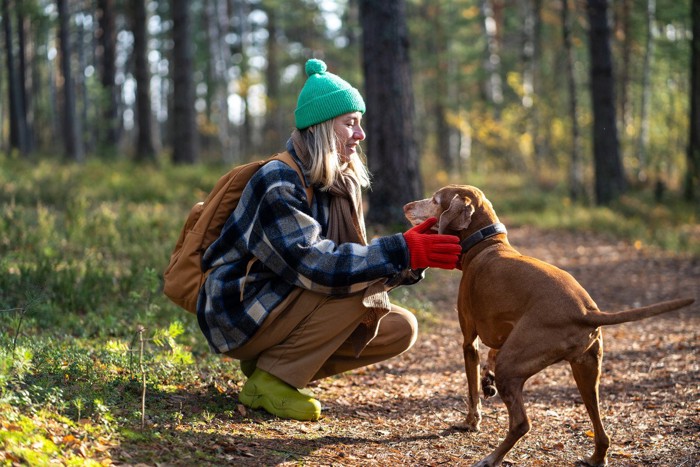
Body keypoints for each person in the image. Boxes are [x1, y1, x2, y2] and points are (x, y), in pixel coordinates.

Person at [197, 58, 461, 421]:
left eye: (360, 123)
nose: (360, 134)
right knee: (350, 285)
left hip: (280, 303)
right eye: (350, 123)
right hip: (240, 309)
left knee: (399, 328)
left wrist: (412, 258)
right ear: (322, 127)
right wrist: (401, 250)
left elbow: (350, 259)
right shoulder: (278, 180)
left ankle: (273, 366)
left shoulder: (337, 183)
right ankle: (271, 379)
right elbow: (316, 264)